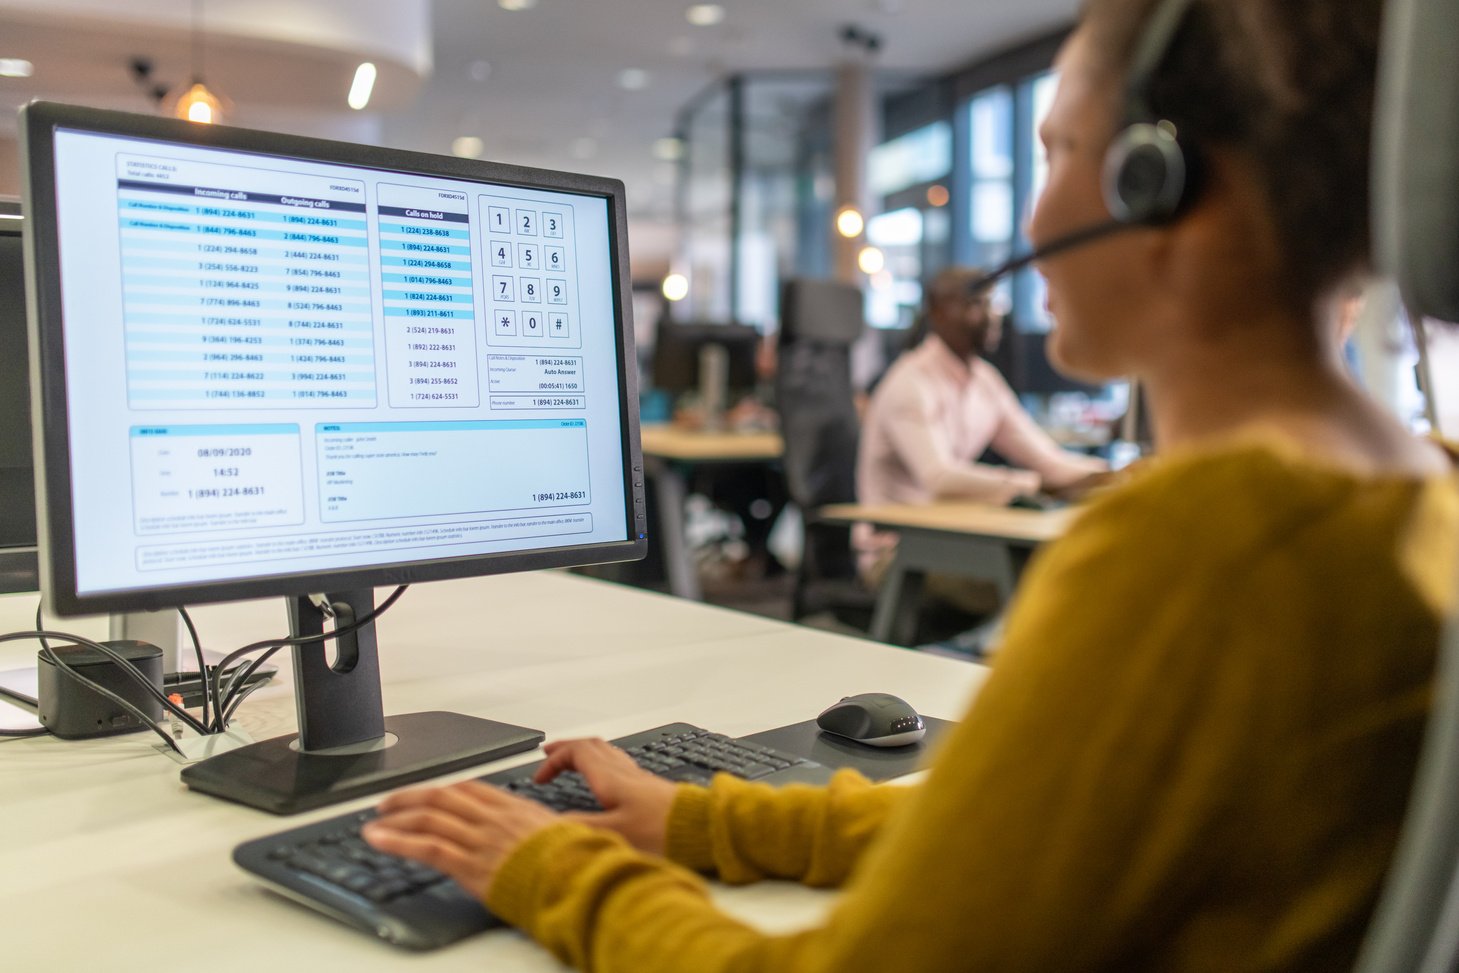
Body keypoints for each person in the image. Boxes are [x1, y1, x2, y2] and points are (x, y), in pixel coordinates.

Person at [363, 0, 1459, 969]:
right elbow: (1028, 828)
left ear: (1154, 181)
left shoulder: (1206, 547)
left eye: (1057, 150)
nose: (1030, 226)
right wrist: (705, 824)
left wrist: (552, 870)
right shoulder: (1408, 494)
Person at [853, 265, 1110, 606]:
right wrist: (1031, 485)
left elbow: (1048, 461)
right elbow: (938, 477)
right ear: (939, 312)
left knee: (1087, 559)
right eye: (977, 305)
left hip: (958, 540)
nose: (991, 316)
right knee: (1063, 579)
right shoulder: (909, 382)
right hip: (897, 554)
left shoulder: (984, 381)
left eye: (993, 304)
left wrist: (1114, 477)